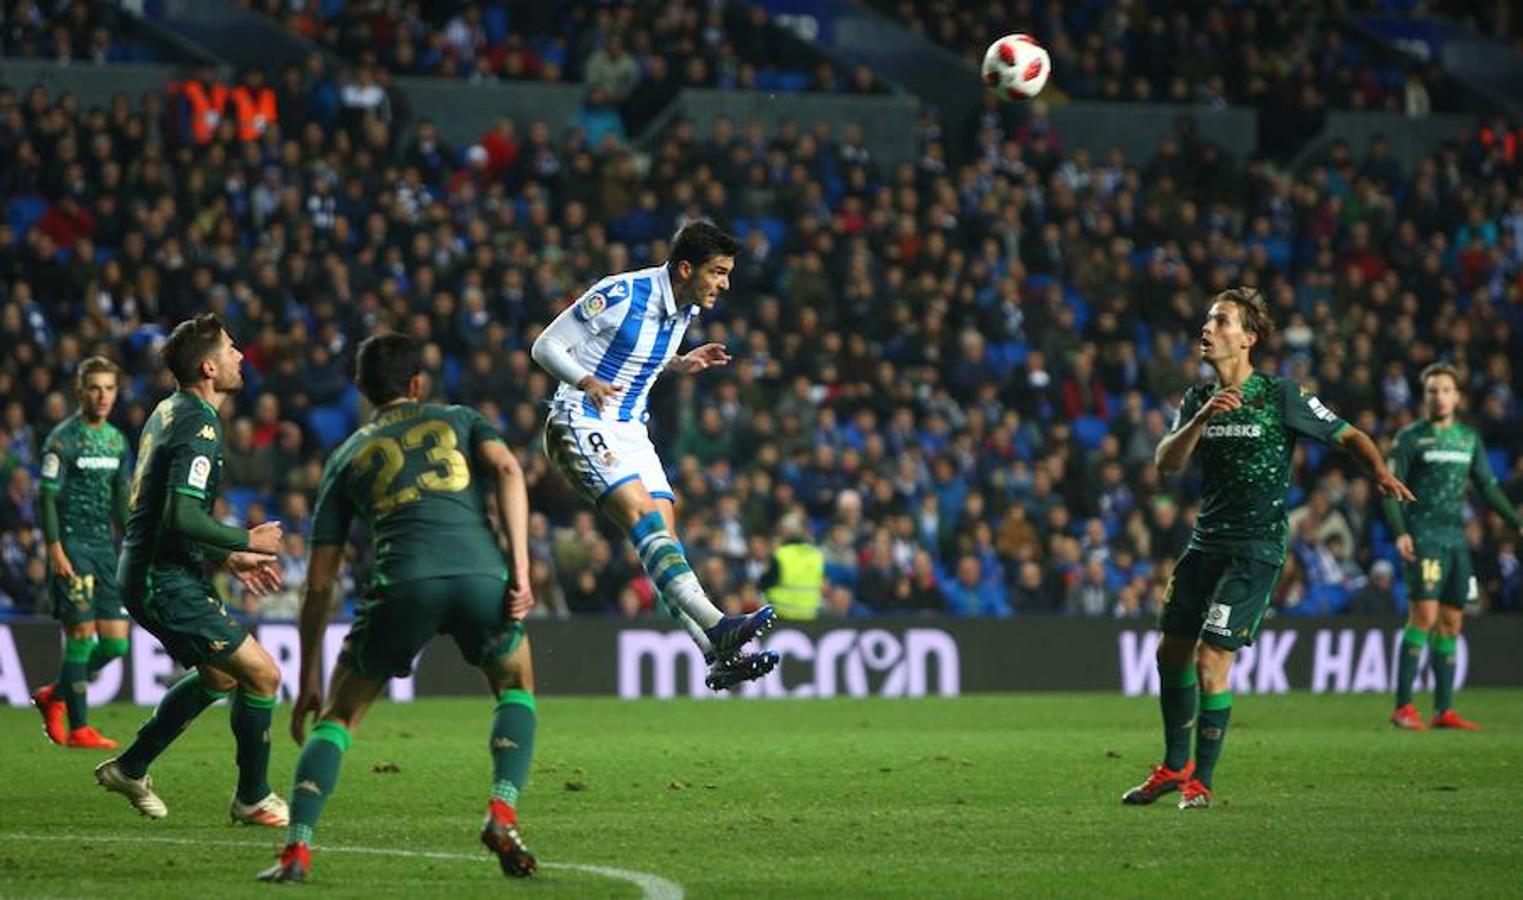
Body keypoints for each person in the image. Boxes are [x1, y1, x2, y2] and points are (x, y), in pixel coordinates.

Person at [258, 333, 538, 883]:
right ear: (417, 383)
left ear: (362, 389)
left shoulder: (345, 457)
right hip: (480, 574)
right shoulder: (459, 419)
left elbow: (319, 583)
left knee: (339, 717)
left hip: (403, 583)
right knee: (515, 684)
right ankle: (502, 809)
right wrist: (521, 571)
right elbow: (509, 470)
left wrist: (309, 675)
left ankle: (297, 850)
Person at [1123, 288, 1414, 810]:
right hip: (1205, 543)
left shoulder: (1281, 395)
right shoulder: (1197, 399)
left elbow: (1349, 435)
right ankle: (1173, 766)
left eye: (1221, 320)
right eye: (1207, 319)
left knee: (1212, 658)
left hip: (1254, 549)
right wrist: (1201, 418)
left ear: (1248, 338)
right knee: (1170, 652)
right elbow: (1166, 463)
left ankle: (1200, 782)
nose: (1207, 328)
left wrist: (1379, 471)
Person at [531, 221, 777, 691]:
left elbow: (635, 352)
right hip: (580, 418)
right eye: (718, 272)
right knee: (645, 519)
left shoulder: (684, 308)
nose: (725, 284)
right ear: (685, 269)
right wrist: (585, 380)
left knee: (663, 538)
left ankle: (715, 656)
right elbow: (545, 346)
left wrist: (680, 363)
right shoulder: (621, 294)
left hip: (630, 431)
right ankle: (718, 624)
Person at [94, 314, 289, 826]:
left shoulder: (170, 411)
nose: (240, 356)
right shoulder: (199, 425)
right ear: (209, 367)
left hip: (158, 570)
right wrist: (246, 539)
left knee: (220, 676)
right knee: (263, 675)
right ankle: (253, 797)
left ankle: (130, 768)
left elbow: (163, 512)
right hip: (162, 579)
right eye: (231, 348)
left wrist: (226, 556)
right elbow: (181, 515)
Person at [1386, 362, 1523, 731]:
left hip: (1457, 541)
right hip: (1424, 537)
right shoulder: (1410, 438)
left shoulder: (1468, 439)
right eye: (1433, 391)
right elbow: (1389, 488)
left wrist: (1515, 521)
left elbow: (1488, 487)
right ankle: (1403, 707)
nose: (1440, 397)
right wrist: (1400, 531)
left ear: (1458, 397)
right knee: (1424, 616)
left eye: (1446, 390)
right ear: (1425, 396)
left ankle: (1443, 710)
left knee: (1451, 622)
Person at [29, 357, 132, 750]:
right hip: (71, 545)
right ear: (80, 391)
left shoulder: (117, 441)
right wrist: (55, 548)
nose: (102, 396)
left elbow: (121, 499)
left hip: (105, 548)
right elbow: (47, 497)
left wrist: (135, 542)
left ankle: (54, 695)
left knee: (116, 644)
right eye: (94, 388)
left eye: (109, 388)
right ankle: (80, 728)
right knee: (81, 635)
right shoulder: (62, 440)